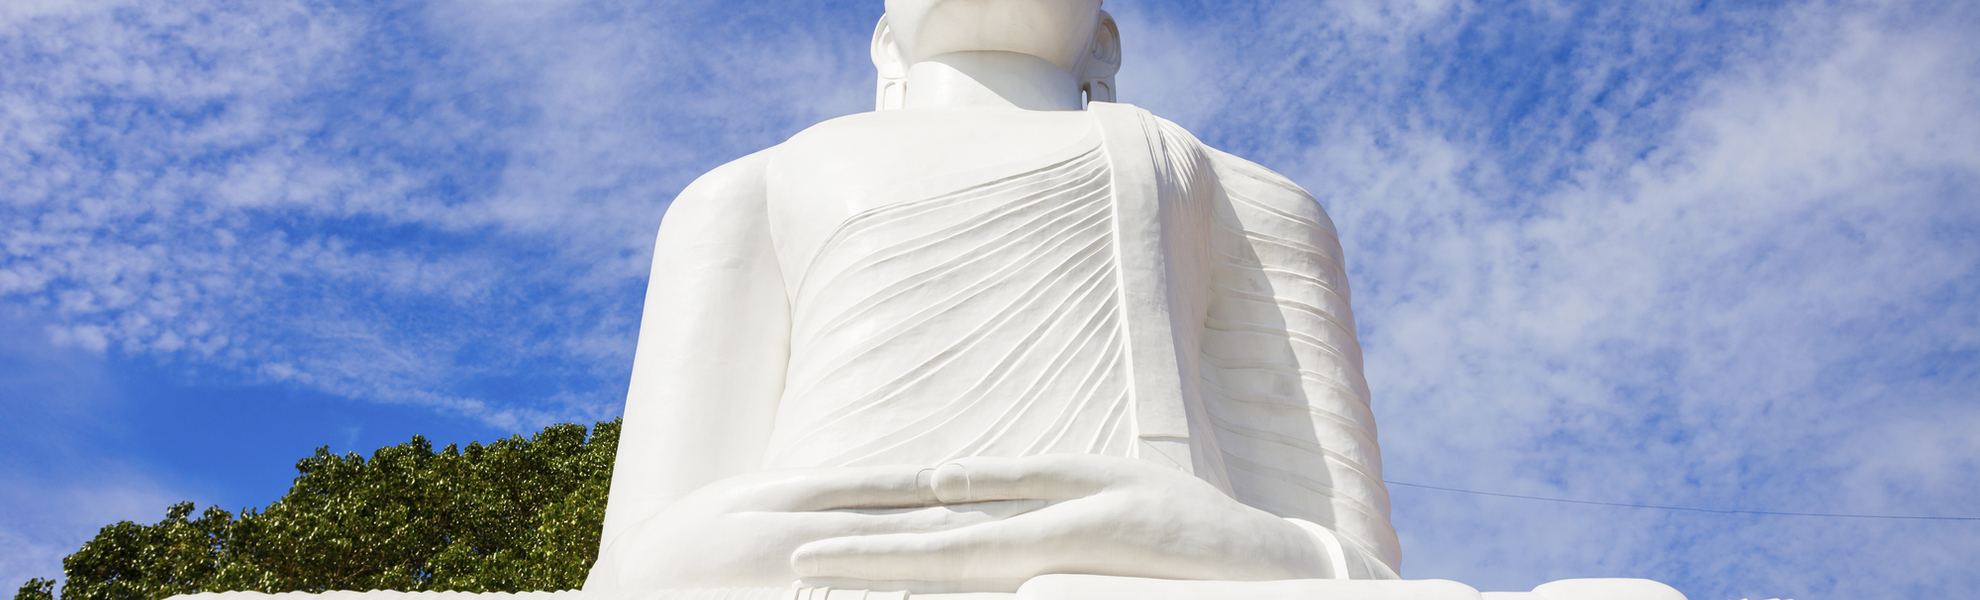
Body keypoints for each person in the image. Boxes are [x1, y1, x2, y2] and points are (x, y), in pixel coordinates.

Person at [584, 0, 1399, 593]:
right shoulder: (747, 192)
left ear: (1103, 44)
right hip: (810, 549)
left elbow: (1359, 572)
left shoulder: (1240, 199)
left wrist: (1190, 533)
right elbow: (634, 564)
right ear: (884, 47)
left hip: (1160, 566)